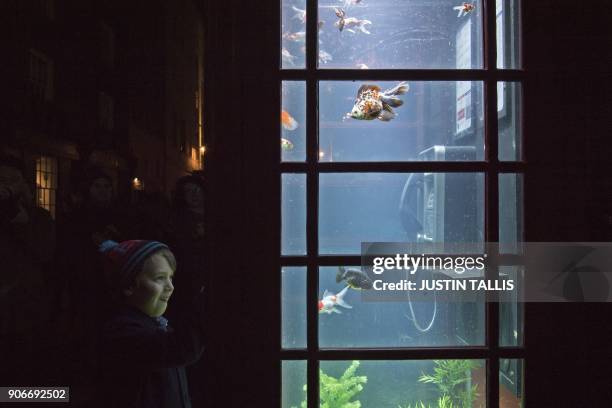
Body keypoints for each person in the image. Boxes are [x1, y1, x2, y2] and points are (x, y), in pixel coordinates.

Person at [97, 239, 206, 408]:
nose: (170, 287)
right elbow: (184, 347)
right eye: (160, 278)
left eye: (171, 277)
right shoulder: (121, 333)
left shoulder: (159, 325)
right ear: (129, 285)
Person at [0, 154, 55, 384]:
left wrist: (20, 223)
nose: (6, 187)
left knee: (24, 366)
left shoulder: (38, 217)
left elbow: (45, 253)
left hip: (26, 304)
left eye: (13, 180)